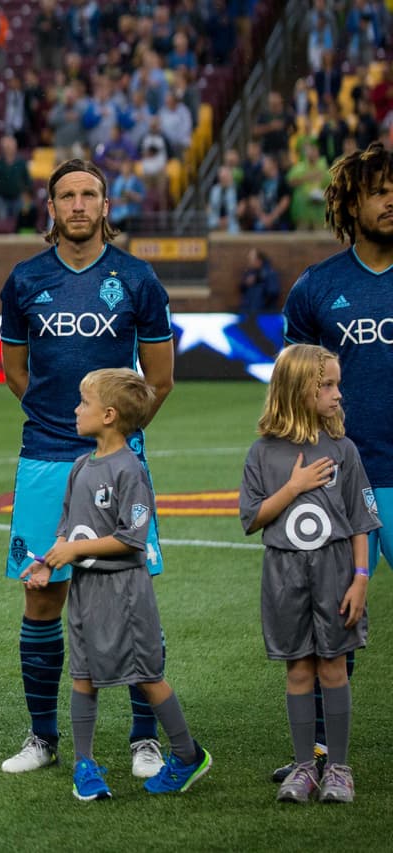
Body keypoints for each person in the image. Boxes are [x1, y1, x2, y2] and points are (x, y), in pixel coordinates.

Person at [0, 159, 175, 778]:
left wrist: (117, 447)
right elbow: (16, 371)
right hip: (44, 458)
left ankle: (144, 739)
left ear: (105, 205)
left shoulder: (137, 279)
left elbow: (159, 379)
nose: (77, 205)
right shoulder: (24, 280)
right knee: (40, 594)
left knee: (131, 598)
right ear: (50, 208)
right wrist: (57, 421)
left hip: (118, 463)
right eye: (66, 195)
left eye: (89, 195)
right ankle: (42, 737)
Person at [21, 368, 211, 800]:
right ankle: (85, 765)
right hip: (86, 592)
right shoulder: (79, 467)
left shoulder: (130, 470)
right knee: (83, 675)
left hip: (126, 592)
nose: (76, 409)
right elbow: (67, 529)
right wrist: (50, 564)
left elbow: (132, 538)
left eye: (83, 403)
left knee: (146, 674)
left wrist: (72, 553)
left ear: (108, 415)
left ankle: (186, 754)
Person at [278, 141, 393, 781]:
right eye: (378, 190)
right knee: (331, 619)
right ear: (350, 201)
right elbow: (296, 392)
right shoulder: (317, 289)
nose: (391, 200)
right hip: (337, 481)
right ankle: (319, 749)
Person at [239, 345, 376, 804]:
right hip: (284, 573)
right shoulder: (262, 453)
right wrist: (293, 487)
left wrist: (360, 577)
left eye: (338, 384)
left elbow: (360, 519)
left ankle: (338, 767)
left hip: (336, 570)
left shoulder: (344, 449)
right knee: (298, 669)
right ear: (300, 390)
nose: (339, 394)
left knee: (333, 666)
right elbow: (252, 518)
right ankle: (304, 767)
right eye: (329, 385)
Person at [239, 248, 281, 317]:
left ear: (259, 260)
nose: (249, 262)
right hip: (248, 313)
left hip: (264, 314)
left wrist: (263, 307)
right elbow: (241, 289)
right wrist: (246, 284)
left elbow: (273, 293)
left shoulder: (270, 273)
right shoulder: (249, 273)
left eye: (251, 259)